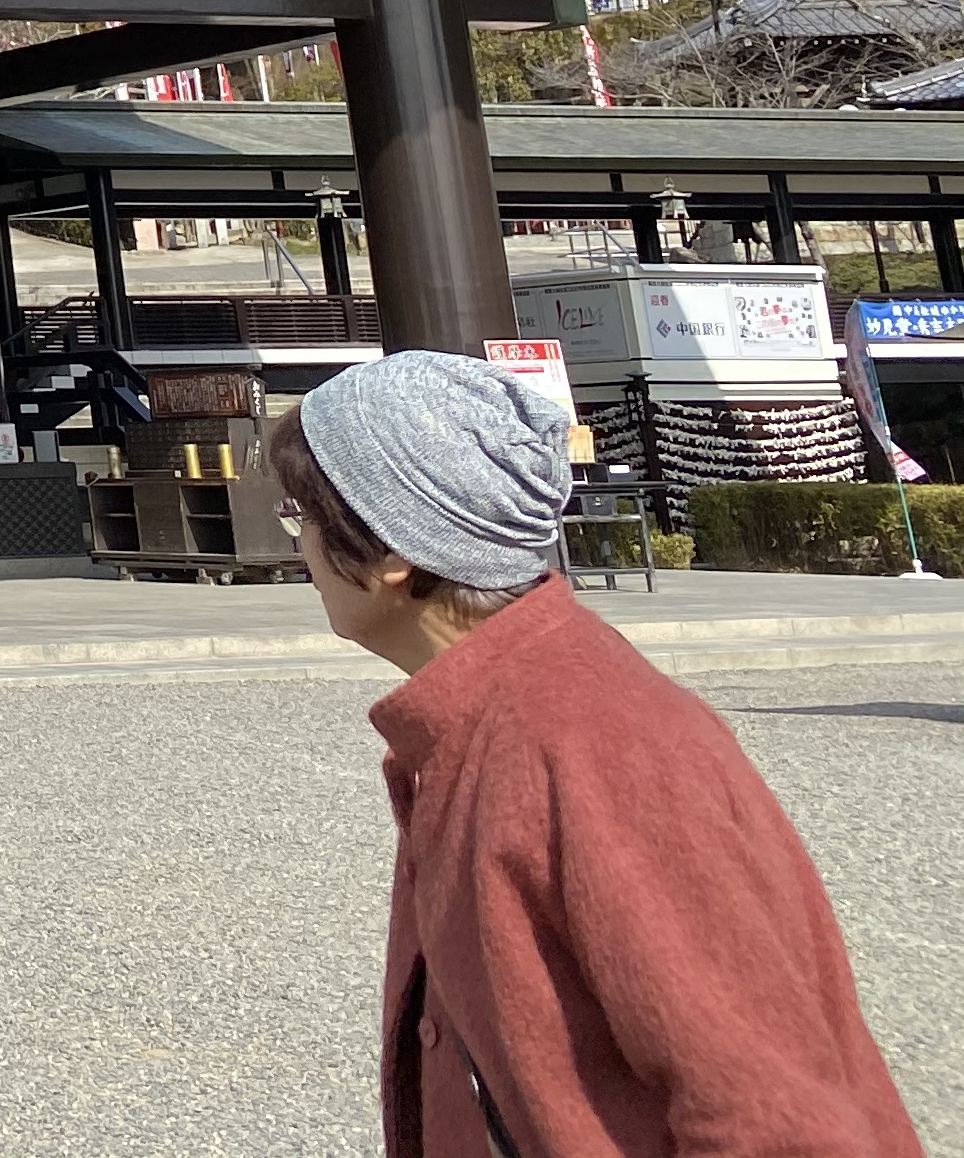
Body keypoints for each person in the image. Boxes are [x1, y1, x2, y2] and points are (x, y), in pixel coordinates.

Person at [274, 348, 917, 1155]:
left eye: (302, 516)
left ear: (392, 550)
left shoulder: (592, 745)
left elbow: (774, 1113)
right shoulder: (494, 712)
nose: (297, 549)